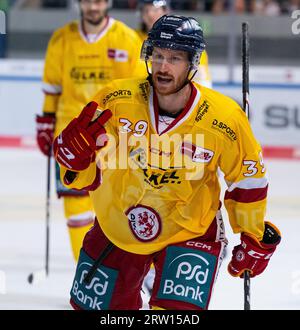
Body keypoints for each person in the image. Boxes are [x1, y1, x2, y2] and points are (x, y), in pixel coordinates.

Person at [53, 15, 281, 310]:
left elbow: (246, 178)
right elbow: (88, 172)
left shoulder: (224, 118)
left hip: (190, 230)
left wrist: (252, 234)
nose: (162, 66)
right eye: (158, 55)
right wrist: (74, 162)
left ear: (193, 64)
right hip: (118, 224)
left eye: (174, 57)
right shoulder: (115, 100)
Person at [36, 0, 145, 261]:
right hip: (70, 135)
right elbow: (52, 88)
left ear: (107, 3)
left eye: (98, 1)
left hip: (114, 139)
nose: (93, 7)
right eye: (87, 1)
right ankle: (84, 273)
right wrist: (45, 123)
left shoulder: (127, 39)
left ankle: (116, 273)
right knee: (75, 206)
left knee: (116, 207)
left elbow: (141, 90)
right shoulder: (62, 39)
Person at [136, 0, 212, 88]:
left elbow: (202, 82)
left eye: (155, 10)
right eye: (146, 10)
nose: (150, 14)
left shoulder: (189, 42)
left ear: (165, 11)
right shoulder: (130, 37)